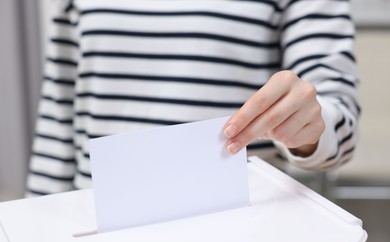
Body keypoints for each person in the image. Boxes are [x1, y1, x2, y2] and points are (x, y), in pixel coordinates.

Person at [26, 0, 360, 195]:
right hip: (97, 225)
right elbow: (58, 116)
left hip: (241, 234)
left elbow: (338, 119)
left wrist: (308, 127)